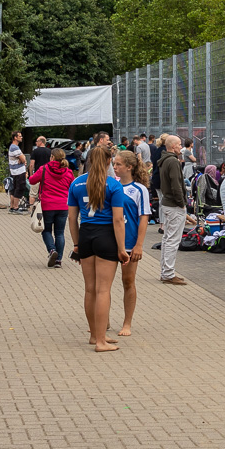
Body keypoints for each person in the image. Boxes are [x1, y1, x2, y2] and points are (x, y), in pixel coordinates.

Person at [69, 145, 127, 352]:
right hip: (106, 236)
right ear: (109, 161)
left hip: (86, 234)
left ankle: (94, 335)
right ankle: (102, 341)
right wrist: (121, 248)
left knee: (90, 289)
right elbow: (118, 220)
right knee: (103, 290)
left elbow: (72, 218)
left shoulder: (76, 183)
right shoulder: (113, 185)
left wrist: (76, 244)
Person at [113, 150, 149, 336]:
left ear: (129, 167)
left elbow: (143, 218)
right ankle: (104, 320)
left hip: (129, 242)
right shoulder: (112, 185)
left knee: (128, 281)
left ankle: (127, 323)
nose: (115, 167)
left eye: (118, 164)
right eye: (114, 163)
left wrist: (139, 245)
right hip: (111, 241)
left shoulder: (139, 190)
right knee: (104, 284)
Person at [30, 148, 77, 267]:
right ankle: (58, 260)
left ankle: (52, 250)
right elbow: (72, 187)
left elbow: (32, 180)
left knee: (46, 230)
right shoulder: (68, 172)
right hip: (63, 206)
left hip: (47, 205)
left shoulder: (44, 169)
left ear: (52, 157)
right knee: (60, 233)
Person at [156, 135, 189, 286]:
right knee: (173, 240)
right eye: (179, 144)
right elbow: (176, 184)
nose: (181, 147)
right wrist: (182, 203)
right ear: (173, 146)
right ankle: (168, 273)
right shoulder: (173, 161)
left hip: (167, 203)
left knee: (167, 239)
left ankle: (166, 271)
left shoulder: (165, 160)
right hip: (174, 205)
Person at [7, 131, 29, 212]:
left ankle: (12, 206)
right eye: (20, 136)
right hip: (18, 171)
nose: (21, 137)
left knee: (14, 188)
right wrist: (22, 159)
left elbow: (23, 159)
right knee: (19, 188)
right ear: (15, 137)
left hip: (14, 171)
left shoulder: (13, 147)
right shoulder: (15, 147)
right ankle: (16, 207)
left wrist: (22, 159)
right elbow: (23, 159)